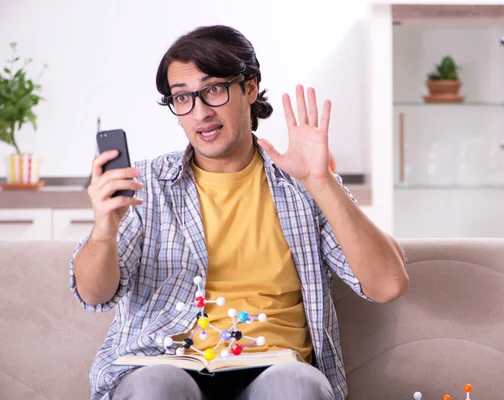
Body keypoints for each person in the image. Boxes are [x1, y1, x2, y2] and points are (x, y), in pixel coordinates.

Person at [70, 25, 409, 400]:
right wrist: (104, 228)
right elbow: (94, 294)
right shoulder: (146, 184)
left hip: (275, 367)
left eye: (213, 90)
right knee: (155, 386)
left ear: (249, 88)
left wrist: (321, 181)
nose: (200, 113)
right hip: (165, 364)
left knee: (296, 386)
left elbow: (388, 285)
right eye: (182, 98)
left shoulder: (302, 184)